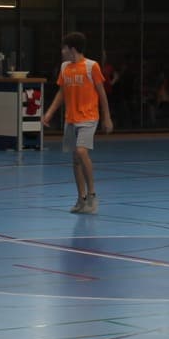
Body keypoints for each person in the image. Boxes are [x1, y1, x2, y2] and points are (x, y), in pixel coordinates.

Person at [39, 31, 112, 213]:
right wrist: (49, 113)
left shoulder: (91, 66)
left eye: (64, 48)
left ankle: (92, 196)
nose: (62, 51)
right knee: (75, 160)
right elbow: (62, 92)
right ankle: (81, 198)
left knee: (81, 151)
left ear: (72, 49)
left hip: (88, 117)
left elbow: (102, 93)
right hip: (71, 119)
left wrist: (107, 117)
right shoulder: (65, 67)